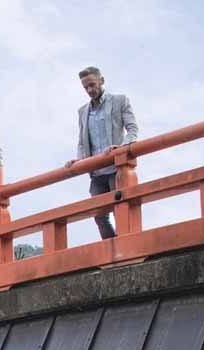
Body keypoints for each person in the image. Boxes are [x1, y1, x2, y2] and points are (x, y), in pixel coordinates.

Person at [64, 66, 138, 239]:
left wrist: (121, 147)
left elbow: (133, 129)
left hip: (116, 167)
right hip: (96, 171)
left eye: (92, 85)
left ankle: (126, 247)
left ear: (101, 81)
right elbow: (83, 141)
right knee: (99, 215)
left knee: (122, 211)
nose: (90, 90)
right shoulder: (83, 111)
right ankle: (113, 248)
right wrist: (78, 161)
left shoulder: (120, 101)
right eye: (85, 87)